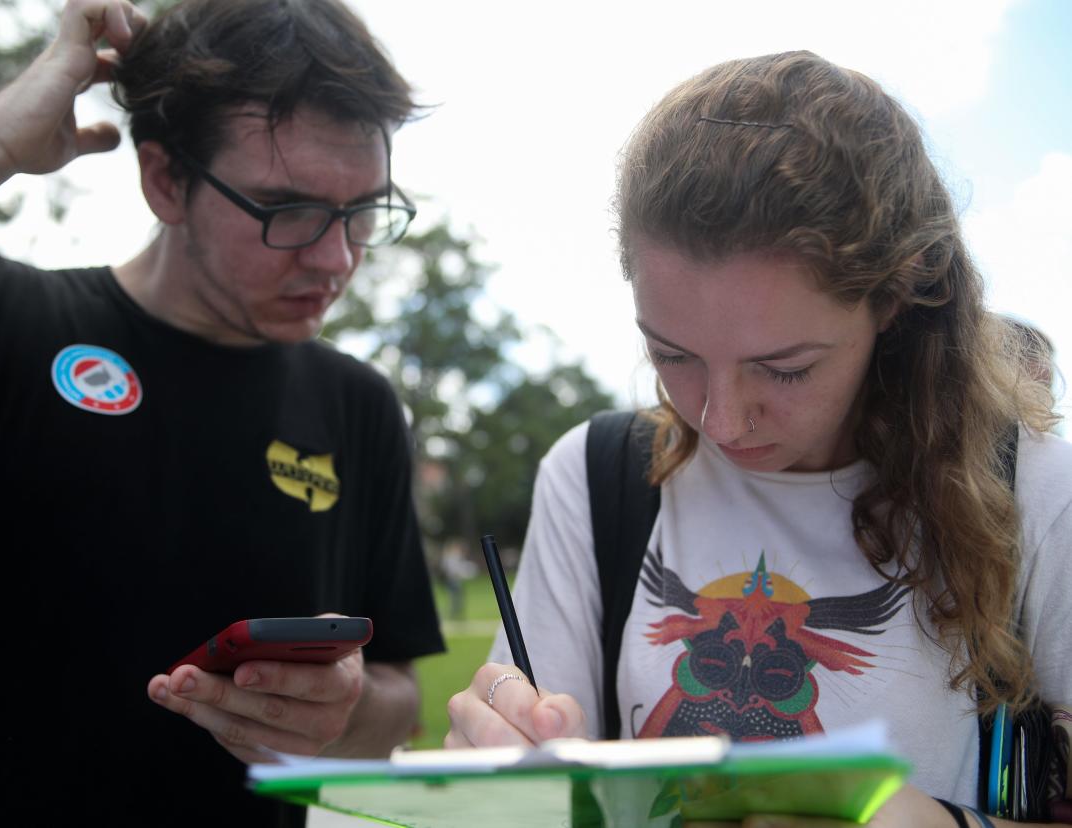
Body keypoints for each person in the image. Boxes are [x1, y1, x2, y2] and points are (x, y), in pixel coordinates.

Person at [0, 0, 443, 822]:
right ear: (165, 180)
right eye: (285, 209)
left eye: (363, 210)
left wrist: (343, 712)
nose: (336, 258)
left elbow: (398, 696)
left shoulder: (359, 406)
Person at [447, 51, 1071, 826]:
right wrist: (502, 759)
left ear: (897, 300)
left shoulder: (1038, 493)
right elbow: (533, 784)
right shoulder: (595, 475)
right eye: (671, 355)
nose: (718, 421)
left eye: (784, 368)